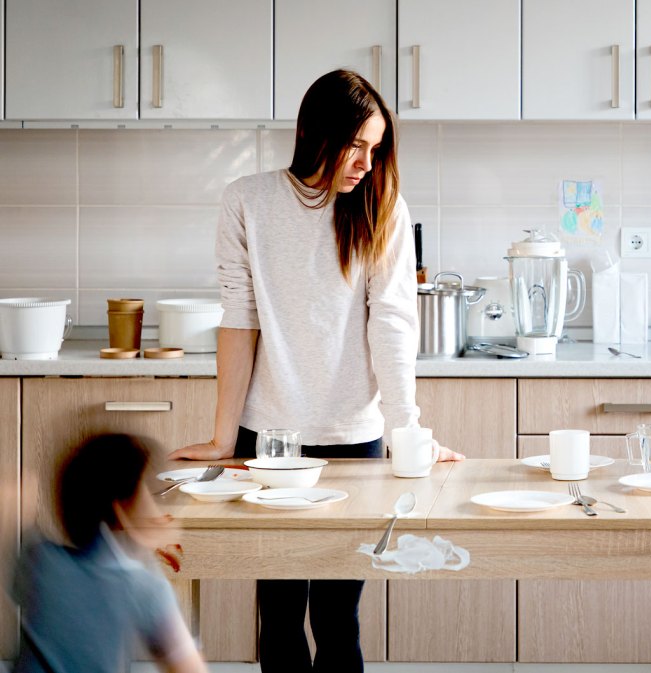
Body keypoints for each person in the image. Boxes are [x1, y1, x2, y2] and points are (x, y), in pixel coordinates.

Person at [169, 69, 463, 673]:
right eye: (356, 144)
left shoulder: (383, 207)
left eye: (375, 148)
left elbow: (392, 324)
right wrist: (225, 438)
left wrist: (409, 433)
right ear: (315, 134)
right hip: (268, 441)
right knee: (277, 616)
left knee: (337, 617)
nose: (365, 162)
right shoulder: (247, 200)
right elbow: (239, 319)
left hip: (355, 441)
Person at [11, 433, 207, 673]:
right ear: (122, 510)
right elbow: (190, 668)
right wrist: (148, 560)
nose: (161, 509)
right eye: (152, 493)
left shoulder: (39, 560)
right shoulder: (144, 587)